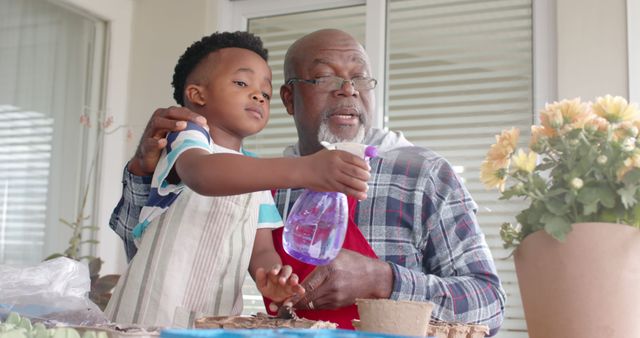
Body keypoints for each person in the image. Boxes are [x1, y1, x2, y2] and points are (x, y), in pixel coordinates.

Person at [110, 29, 506, 335]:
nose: (348, 89)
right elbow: (149, 250)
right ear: (288, 98)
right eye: (324, 79)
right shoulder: (260, 177)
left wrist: (384, 281)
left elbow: (490, 306)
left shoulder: (422, 175)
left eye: (360, 79)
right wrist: (143, 174)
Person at [105, 31, 371, 328]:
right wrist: (306, 169)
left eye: (265, 93)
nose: (258, 95)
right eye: (242, 83)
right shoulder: (186, 138)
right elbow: (203, 174)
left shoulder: (254, 171)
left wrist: (271, 276)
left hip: (212, 318)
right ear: (197, 95)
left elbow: (261, 249)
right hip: (148, 311)